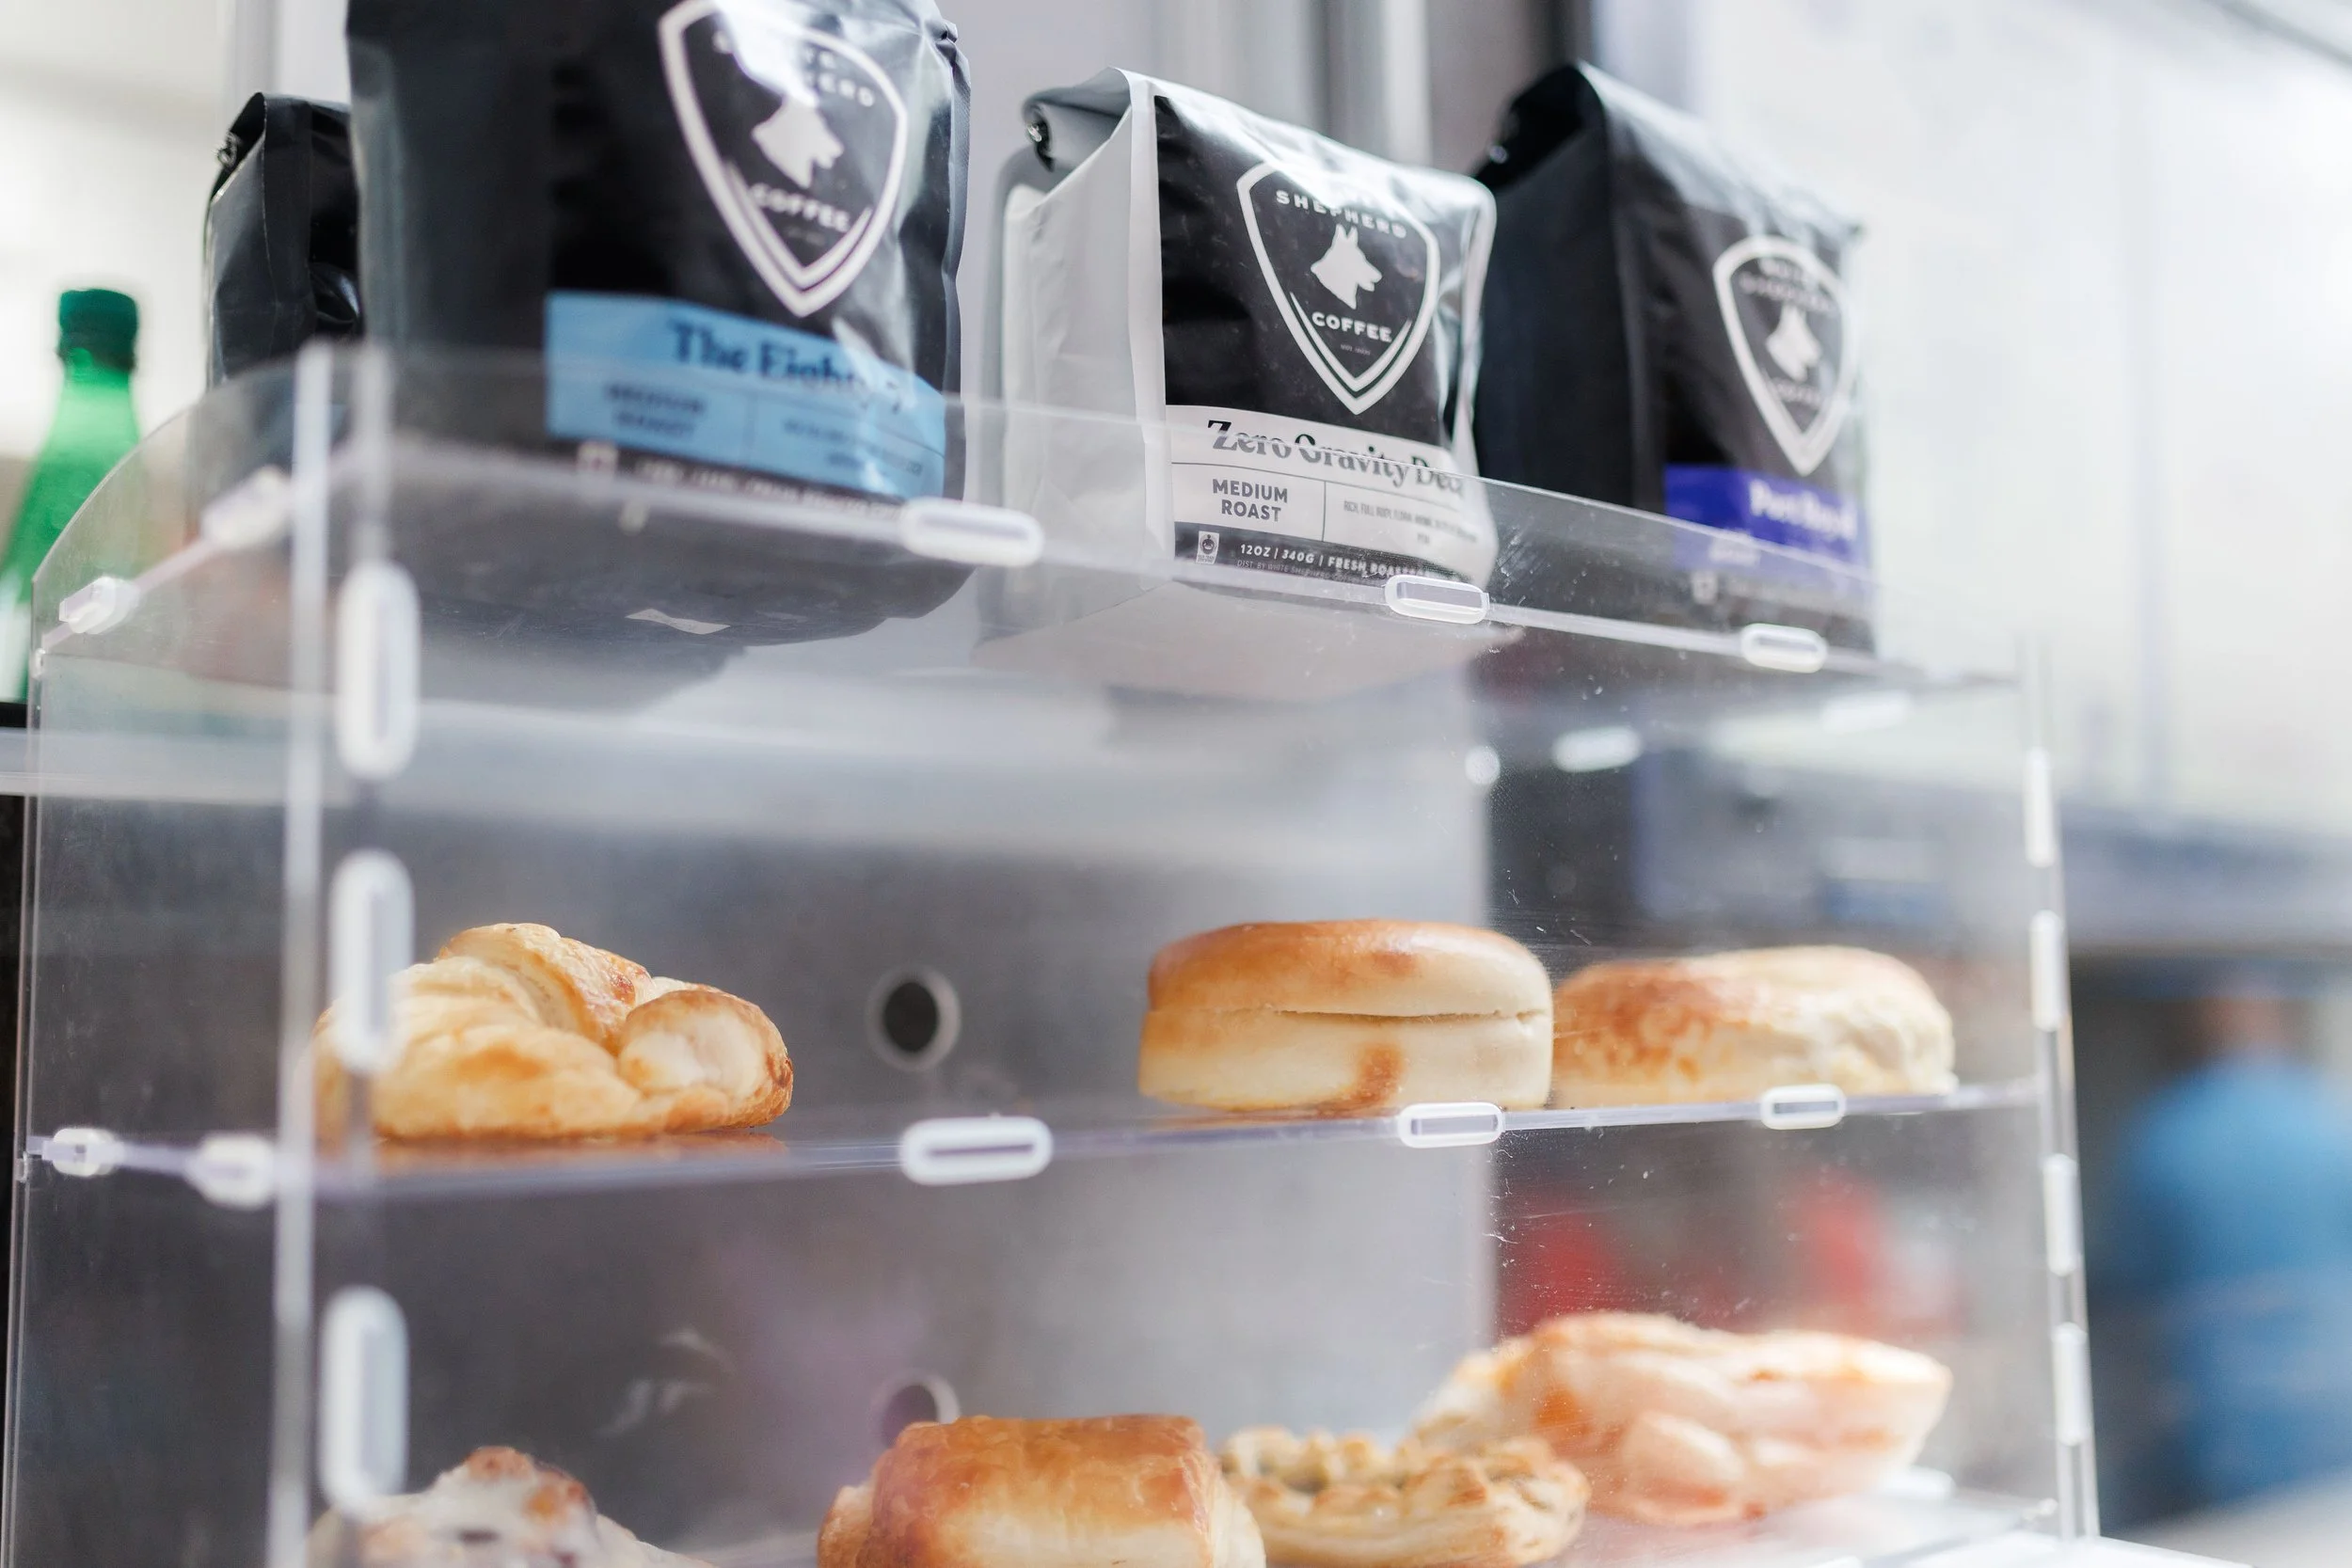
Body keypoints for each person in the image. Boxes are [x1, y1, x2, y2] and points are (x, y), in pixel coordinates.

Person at [2098, 976, 2352, 1508]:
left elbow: (2124, 1293)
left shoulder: (2166, 1132)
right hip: (2329, 1411)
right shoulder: (2329, 1119)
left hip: (2217, 1423)